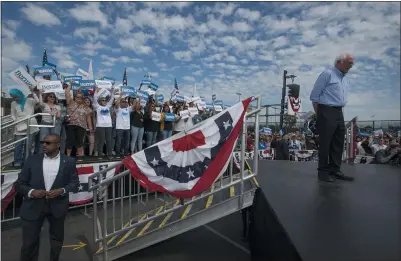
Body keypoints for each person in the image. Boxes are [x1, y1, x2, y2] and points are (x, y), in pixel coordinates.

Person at [15, 133, 79, 261]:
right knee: (29, 243)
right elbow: (19, 184)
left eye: (48, 143)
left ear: (58, 145)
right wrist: (32, 192)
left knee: (56, 241)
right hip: (33, 207)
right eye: (43, 143)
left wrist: (61, 190)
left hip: (57, 207)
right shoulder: (32, 160)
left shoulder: (69, 162)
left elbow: (74, 184)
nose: (44, 145)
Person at [310, 53, 355, 182]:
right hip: (326, 110)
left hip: (339, 111)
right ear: (339, 62)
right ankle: (323, 172)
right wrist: (320, 115)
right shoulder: (327, 74)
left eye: (352, 63)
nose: (351, 65)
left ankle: (335, 170)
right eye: (349, 62)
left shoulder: (344, 79)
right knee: (325, 143)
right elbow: (314, 96)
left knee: (338, 142)